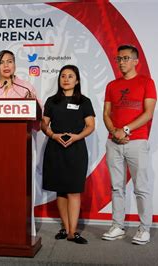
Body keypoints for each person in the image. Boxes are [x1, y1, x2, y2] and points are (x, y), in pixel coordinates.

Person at [101, 44, 157, 245]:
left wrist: (124, 130)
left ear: (136, 61)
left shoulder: (147, 82)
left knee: (141, 187)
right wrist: (114, 132)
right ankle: (117, 226)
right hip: (113, 142)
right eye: (119, 59)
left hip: (137, 141)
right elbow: (106, 114)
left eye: (125, 58)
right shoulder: (111, 85)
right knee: (116, 187)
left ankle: (144, 229)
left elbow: (148, 113)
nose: (121, 62)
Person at [41, 65, 95, 244]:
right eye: (63, 76)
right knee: (60, 190)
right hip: (55, 148)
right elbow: (44, 125)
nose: (66, 79)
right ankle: (65, 228)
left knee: (73, 191)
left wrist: (77, 137)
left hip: (76, 149)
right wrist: (53, 135)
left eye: (70, 76)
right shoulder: (51, 101)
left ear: (77, 80)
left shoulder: (84, 101)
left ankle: (73, 231)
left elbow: (90, 126)